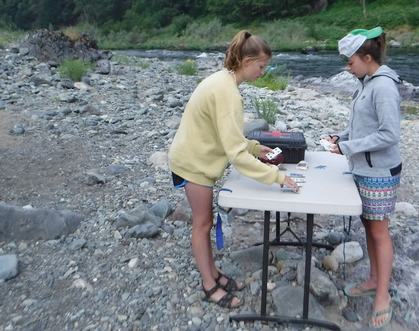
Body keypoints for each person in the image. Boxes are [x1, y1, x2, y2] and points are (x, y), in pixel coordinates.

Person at [168, 30, 299, 309]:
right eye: (261, 66)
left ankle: (214, 274)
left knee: (205, 222)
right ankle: (209, 286)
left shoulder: (223, 81)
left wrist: (256, 148)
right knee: (202, 225)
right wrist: (278, 177)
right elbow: (236, 155)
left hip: (194, 157)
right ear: (247, 61)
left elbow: (228, 136)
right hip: (193, 164)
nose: (263, 72)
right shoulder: (227, 92)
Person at [325, 27, 402, 329]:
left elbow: (389, 134)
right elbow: (362, 125)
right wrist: (341, 137)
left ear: (367, 58)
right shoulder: (366, 83)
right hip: (364, 169)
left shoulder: (383, 87)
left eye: (350, 62)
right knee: (369, 227)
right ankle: (372, 279)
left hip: (379, 172)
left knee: (379, 231)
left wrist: (348, 147)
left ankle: (382, 296)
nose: (347, 67)